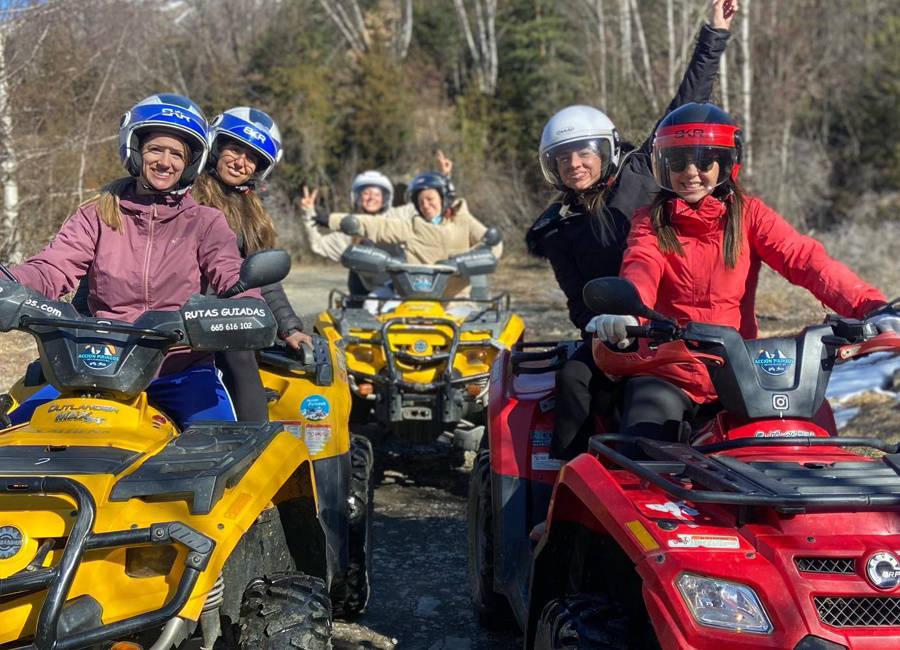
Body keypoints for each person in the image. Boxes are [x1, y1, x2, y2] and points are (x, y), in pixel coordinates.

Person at [590, 102, 900, 448]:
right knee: (642, 452)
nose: (690, 172)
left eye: (703, 160)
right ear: (662, 166)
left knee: (802, 449)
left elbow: (805, 260)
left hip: (739, 373)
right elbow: (641, 266)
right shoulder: (650, 221)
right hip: (670, 370)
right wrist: (627, 311)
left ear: (725, 162)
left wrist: (870, 306)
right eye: (677, 162)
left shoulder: (750, 215)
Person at [530, 0, 740, 460]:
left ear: (605, 150)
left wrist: (714, 33)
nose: (575, 164)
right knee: (574, 377)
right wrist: (605, 328)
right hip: (617, 331)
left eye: (584, 152)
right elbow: (577, 301)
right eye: (563, 158)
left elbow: (687, 101)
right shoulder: (557, 229)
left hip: (683, 318)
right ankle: (573, 483)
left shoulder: (643, 171)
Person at [8, 93, 258, 429]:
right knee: (16, 433)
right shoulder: (97, 213)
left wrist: (247, 306)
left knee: (226, 456)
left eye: (176, 154)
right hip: (97, 366)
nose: (165, 162)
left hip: (180, 370)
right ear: (136, 150)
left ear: (190, 163)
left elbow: (231, 273)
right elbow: (54, 267)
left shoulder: (206, 222)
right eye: (156, 149)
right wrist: (9, 281)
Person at [191, 106, 310, 421]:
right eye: (234, 149)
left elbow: (263, 274)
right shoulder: (188, 191)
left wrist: (290, 327)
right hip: (174, 309)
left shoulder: (252, 211)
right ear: (216, 147)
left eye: (251, 157)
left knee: (241, 358)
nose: (240, 162)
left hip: (225, 317)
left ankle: (253, 450)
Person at [312, 170, 502, 302]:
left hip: (455, 301)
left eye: (430, 199)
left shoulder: (465, 221)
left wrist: (468, 260)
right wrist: (334, 220)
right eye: (421, 202)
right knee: (372, 307)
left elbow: (491, 243)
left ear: (444, 199)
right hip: (413, 299)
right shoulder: (412, 226)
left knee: (476, 338)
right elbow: (379, 225)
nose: (426, 205)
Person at [302, 150, 453, 295]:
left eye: (376, 194)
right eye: (366, 193)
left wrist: (443, 177)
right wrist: (308, 212)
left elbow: (430, 206)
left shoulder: (401, 214)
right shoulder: (347, 229)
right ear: (357, 197)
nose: (371, 198)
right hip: (372, 294)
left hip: (409, 288)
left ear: (385, 198)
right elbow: (317, 244)